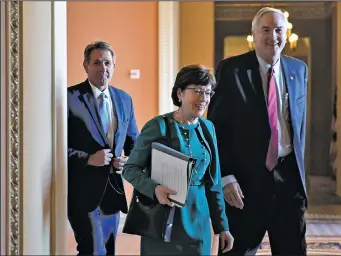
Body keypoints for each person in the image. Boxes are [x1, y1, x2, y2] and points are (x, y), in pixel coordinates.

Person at [207, 7, 308, 256]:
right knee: (237, 251)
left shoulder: (298, 70)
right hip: (244, 185)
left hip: (288, 182)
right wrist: (226, 176)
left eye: (278, 30)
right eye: (265, 29)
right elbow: (217, 127)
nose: (272, 36)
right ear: (253, 34)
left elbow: (298, 126)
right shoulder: (231, 70)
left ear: (286, 34)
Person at [122, 65, 234, 255]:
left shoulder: (208, 128)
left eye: (207, 93)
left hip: (198, 221)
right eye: (197, 91)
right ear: (180, 93)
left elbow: (213, 184)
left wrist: (222, 226)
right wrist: (154, 189)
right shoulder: (158, 126)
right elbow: (130, 169)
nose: (204, 99)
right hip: (163, 220)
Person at [67, 40, 139, 255]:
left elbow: (134, 143)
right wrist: (88, 158)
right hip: (81, 192)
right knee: (92, 250)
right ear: (86, 66)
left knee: (108, 251)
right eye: (97, 62)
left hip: (113, 193)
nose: (103, 68)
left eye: (108, 63)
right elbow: (54, 148)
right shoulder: (69, 98)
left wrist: (127, 161)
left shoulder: (125, 99)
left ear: (114, 66)